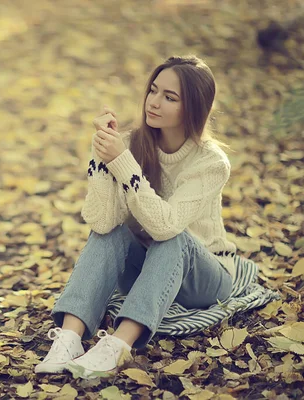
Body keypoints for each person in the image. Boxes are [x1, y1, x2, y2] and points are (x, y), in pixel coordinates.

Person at [35, 55, 237, 379]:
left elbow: (166, 227)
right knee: (110, 233)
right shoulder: (130, 144)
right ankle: (70, 338)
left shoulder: (211, 163)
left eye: (169, 97)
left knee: (174, 238)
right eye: (153, 90)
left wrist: (122, 162)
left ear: (194, 109)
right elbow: (102, 223)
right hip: (146, 269)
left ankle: (117, 346)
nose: (153, 103)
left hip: (203, 276)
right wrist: (102, 156)